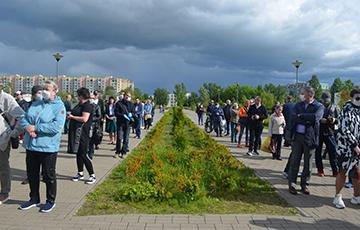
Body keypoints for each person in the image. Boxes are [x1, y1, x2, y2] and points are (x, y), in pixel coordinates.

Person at [19, 80, 65, 213]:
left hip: (47, 147)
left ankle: (50, 200)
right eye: (42, 89)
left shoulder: (59, 107)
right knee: (32, 173)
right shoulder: (36, 104)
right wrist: (28, 128)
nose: (43, 91)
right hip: (31, 145)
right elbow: (24, 117)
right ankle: (34, 199)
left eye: (47, 89)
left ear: (55, 92)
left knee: (48, 175)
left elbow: (56, 126)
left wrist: (36, 128)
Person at [288, 86, 324, 195]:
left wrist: (302, 116)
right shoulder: (298, 105)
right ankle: (292, 184)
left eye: (303, 93)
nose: (301, 95)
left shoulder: (318, 106)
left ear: (309, 94)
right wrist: (306, 121)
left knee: (308, 163)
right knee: (294, 161)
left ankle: (305, 185)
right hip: (298, 136)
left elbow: (316, 117)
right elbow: (293, 117)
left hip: (310, 137)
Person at [333, 88, 360, 209]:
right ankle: (338, 196)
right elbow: (344, 129)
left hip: (358, 148)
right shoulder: (345, 111)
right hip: (345, 147)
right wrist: (354, 144)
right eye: (357, 98)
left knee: (356, 173)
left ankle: (356, 196)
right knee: (342, 171)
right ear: (352, 98)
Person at [0, 81, 24, 205]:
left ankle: (4, 192)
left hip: (2, 139)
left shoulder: (7, 99)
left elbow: (22, 116)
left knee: (2, 166)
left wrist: (14, 133)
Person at [67, 87, 96, 185]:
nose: (77, 97)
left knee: (83, 154)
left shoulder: (87, 106)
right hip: (76, 132)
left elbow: (84, 119)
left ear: (81, 96)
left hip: (83, 133)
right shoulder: (80, 105)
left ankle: (92, 174)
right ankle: (80, 172)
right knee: (78, 153)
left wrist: (72, 117)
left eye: (78, 95)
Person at [21, 85, 43, 185]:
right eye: (38, 93)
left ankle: (43, 174)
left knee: (42, 157)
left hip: (41, 135)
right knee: (30, 159)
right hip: (29, 135)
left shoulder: (45, 105)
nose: (40, 95)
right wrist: (28, 128)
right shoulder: (28, 105)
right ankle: (29, 177)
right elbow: (23, 118)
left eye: (41, 93)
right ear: (34, 94)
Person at [315, 92, 339, 177]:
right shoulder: (317, 106)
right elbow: (313, 117)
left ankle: (335, 170)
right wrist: (320, 120)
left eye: (327, 101)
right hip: (319, 131)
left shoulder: (334, 107)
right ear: (321, 98)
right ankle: (320, 169)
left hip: (329, 131)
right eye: (325, 100)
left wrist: (334, 120)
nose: (326, 102)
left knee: (333, 151)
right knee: (318, 152)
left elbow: (339, 119)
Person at [114, 92, 135, 158]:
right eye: (127, 96)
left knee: (126, 138)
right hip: (120, 123)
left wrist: (131, 114)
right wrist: (122, 115)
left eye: (130, 96)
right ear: (124, 96)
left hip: (128, 123)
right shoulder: (119, 103)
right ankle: (117, 151)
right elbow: (116, 113)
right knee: (119, 138)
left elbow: (134, 112)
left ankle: (124, 151)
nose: (128, 97)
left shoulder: (131, 104)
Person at [88, 93, 102, 160]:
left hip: (94, 126)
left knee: (92, 141)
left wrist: (92, 119)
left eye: (93, 98)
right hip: (86, 125)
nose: (91, 100)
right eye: (90, 98)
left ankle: (91, 154)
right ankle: (86, 153)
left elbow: (99, 116)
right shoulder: (86, 106)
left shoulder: (97, 106)